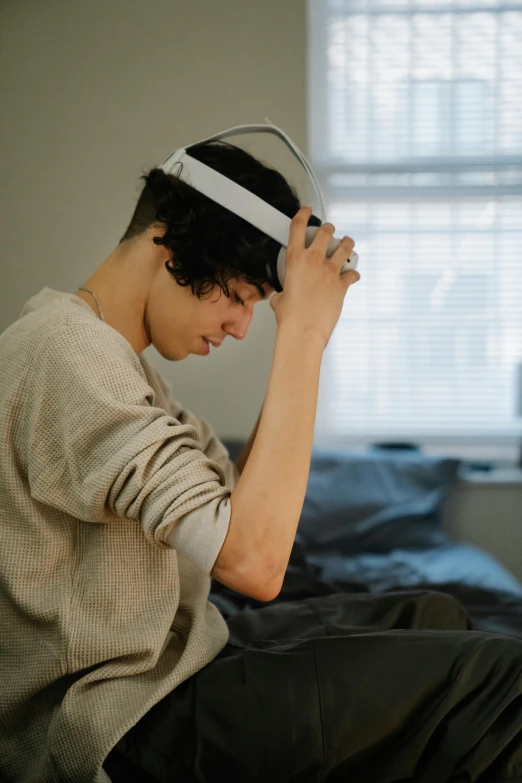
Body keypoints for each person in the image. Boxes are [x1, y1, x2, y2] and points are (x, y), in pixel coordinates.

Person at [1, 139, 521, 783]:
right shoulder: (69, 357)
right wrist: (303, 334)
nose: (243, 326)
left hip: (171, 659)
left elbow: (242, 507)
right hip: (115, 719)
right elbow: (252, 563)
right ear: (170, 244)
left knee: (434, 614)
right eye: (241, 295)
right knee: (502, 681)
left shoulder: (111, 361)